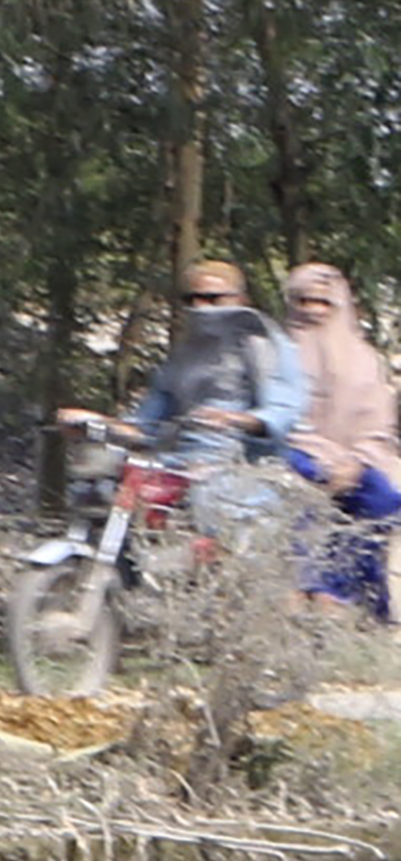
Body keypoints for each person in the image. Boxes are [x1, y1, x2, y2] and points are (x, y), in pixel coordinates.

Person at [65, 257, 308, 478]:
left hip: (246, 466)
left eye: (213, 298)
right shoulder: (184, 353)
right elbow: (148, 423)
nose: (201, 307)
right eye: (192, 299)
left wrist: (236, 419)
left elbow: (285, 410)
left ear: (241, 299)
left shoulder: (263, 343)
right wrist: (97, 424)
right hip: (180, 461)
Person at [280, 263, 401, 618]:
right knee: (304, 496)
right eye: (303, 302)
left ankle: (354, 596)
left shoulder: (365, 359)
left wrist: (356, 460)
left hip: (358, 458)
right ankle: (315, 591)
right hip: (296, 453)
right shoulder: (277, 351)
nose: (312, 311)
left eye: (322, 303)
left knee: (384, 500)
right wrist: (321, 457)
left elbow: (380, 423)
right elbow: (281, 415)